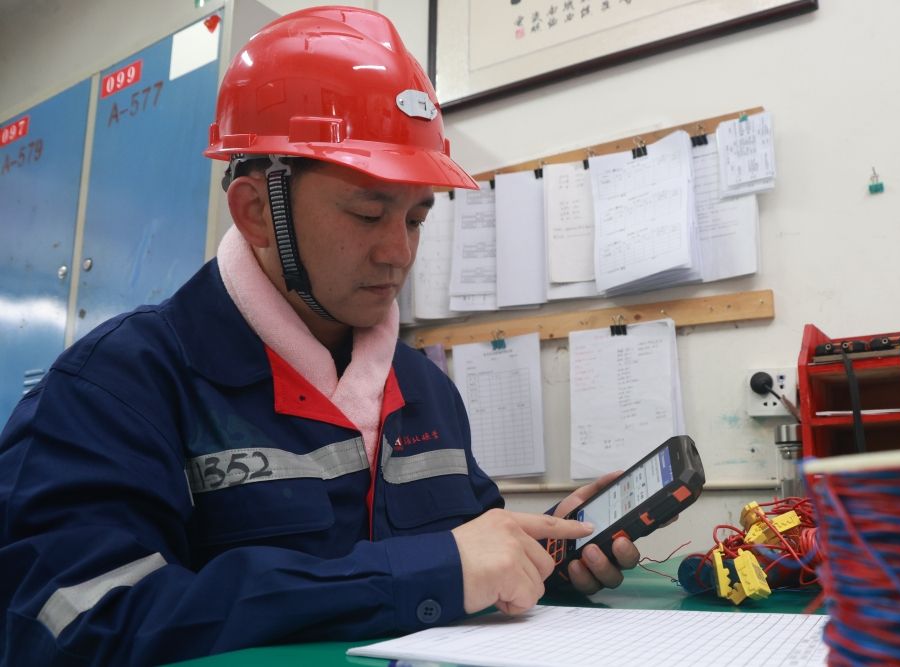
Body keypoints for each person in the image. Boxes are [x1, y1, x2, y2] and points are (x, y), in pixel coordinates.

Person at [0, 6, 639, 665]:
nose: (398, 253)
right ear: (256, 210)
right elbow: (77, 626)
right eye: (367, 214)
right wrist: (424, 575)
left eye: (416, 219)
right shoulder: (115, 389)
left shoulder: (426, 390)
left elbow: (469, 558)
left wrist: (543, 559)